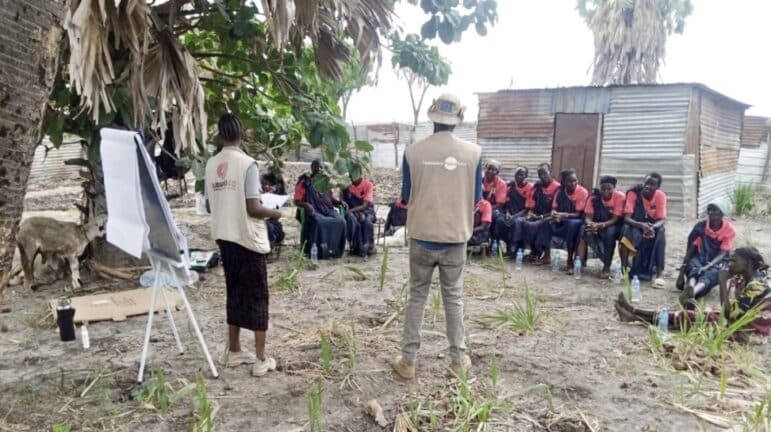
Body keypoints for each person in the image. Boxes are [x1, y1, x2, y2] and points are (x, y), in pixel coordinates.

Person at [391, 93, 482, 380]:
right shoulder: (474, 154)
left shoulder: (412, 152)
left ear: (432, 117)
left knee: (417, 296)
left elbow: (405, 197)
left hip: (421, 236)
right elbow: (477, 198)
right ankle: (458, 360)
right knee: (453, 298)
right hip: (455, 238)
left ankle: (408, 362)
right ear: (458, 120)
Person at [204, 113, 283, 377]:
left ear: (220, 135)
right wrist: (275, 212)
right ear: (241, 134)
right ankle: (261, 359)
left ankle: (234, 350)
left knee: (234, 292)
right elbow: (253, 207)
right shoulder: (248, 164)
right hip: (247, 239)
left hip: (224, 237)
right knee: (258, 296)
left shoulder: (211, 164)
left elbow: (207, 204)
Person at [615, 247, 771, 344]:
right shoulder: (752, 279)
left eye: (734, 261)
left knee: (691, 318)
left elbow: (728, 314)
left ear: (749, 264)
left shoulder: (756, 286)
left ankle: (635, 315)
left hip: (746, 334)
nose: (730, 264)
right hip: (740, 324)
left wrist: (722, 282)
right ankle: (635, 313)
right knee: (695, 316)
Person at [677, 202, 736, 307]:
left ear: (722, 214)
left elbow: (723, 253)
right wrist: (681, 273)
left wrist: (708, 266)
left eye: (715, 210)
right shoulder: (700, 226)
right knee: (693, 266)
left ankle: (693, 292)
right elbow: (690, 249)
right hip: (700, 256)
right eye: (710, 210)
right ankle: (690, 288)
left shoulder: (729, 230)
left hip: (718, 260)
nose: (711, 212)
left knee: (713, 273)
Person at [618, 173, 667, 287]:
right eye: (646, 183)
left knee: (661, 232)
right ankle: (624, 268)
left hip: (651, 226)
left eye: (652, 184)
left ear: (657, 187)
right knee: (626, 231)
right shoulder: (634, 193)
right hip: (635, 224)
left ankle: (659, 274)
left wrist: (652, 227)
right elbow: (627, 218)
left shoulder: (660, 196)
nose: (647, 186)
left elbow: (662, 219)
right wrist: (641, 225)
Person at [534, 169, 588, 271]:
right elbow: (554, 208)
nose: (573, 183)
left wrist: (563, 215)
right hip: (561, 218)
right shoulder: (559, 191)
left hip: (576, 219)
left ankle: (570, 260)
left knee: (572, 226)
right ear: (563, 182)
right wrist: (554, 214)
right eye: (569, 181)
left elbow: (578, 214)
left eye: (574, 181)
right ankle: (546, 255)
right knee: (546, 222)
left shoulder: (582, 192)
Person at [294, 158, 347, 259]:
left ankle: (335, 250)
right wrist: (306, 205)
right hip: (313, 210)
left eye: (321, 167)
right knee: (319, 222)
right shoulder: (305, 182)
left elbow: (330, 199)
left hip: (327, 210)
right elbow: (296, 201)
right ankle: (319, 251)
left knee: (341, 221)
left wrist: (339, 202)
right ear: (312, 167)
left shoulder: (325, 181)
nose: (319, 169)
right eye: (316, 166)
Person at [575, 176, 626, 278]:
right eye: (603, 189)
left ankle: (606, 266)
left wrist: (601, 225)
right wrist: (591, 224)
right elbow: (588, 217)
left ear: (614, 188)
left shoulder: (620, 197)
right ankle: (579, 263)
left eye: (609, 189)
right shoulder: (593, 197)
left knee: (609, 233)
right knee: (583, 229)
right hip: (596, 224)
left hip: (613, 225)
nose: (605, 191)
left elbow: (615, 218)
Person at [518, 163, 560, 264]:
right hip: (537, 215)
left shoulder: (557, 188)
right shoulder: (537, 187)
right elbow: (531, 205)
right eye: (540, 174)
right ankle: (533, 251)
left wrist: (540, 217)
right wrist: (531, 213)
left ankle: (545, 255)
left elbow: (556, 208)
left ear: (550, 172)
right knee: (523, 222)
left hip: (551, 216)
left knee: (542, 224)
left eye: (544, 173)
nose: (542, 176)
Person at [494, 166, 533, 255]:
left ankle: (514, 245)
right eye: (517, 174)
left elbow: (527, 208)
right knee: (500, 220)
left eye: (521, 174)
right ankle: (500, 243)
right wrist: (507, 213)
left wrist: (515, 216)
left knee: (517, 222)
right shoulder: (511, 186)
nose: (518, 177)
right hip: (510, 213)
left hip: (523, 214)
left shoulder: (530, 187)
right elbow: (507, 203)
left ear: (526, 176)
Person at [342, 170, 376, 257]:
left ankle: (369, 246)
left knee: (367, 222)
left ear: (359, 174)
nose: (350, 177)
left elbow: (365, 205)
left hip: (367, 210)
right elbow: (343, 202)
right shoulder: (347, 186)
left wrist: (356, 211)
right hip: (354, 212)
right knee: (354, 221)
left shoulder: (368, 185)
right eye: (349, 175)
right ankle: (357, 245)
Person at [261, 172, 286, 247]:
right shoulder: (256, 196)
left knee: (277, 227)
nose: (266, 187)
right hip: (260, 222)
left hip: (271, 222)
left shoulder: (273, 197)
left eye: (269, 185)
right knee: (268, 227)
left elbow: (277, 216)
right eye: (264, 184)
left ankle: (272, 244)